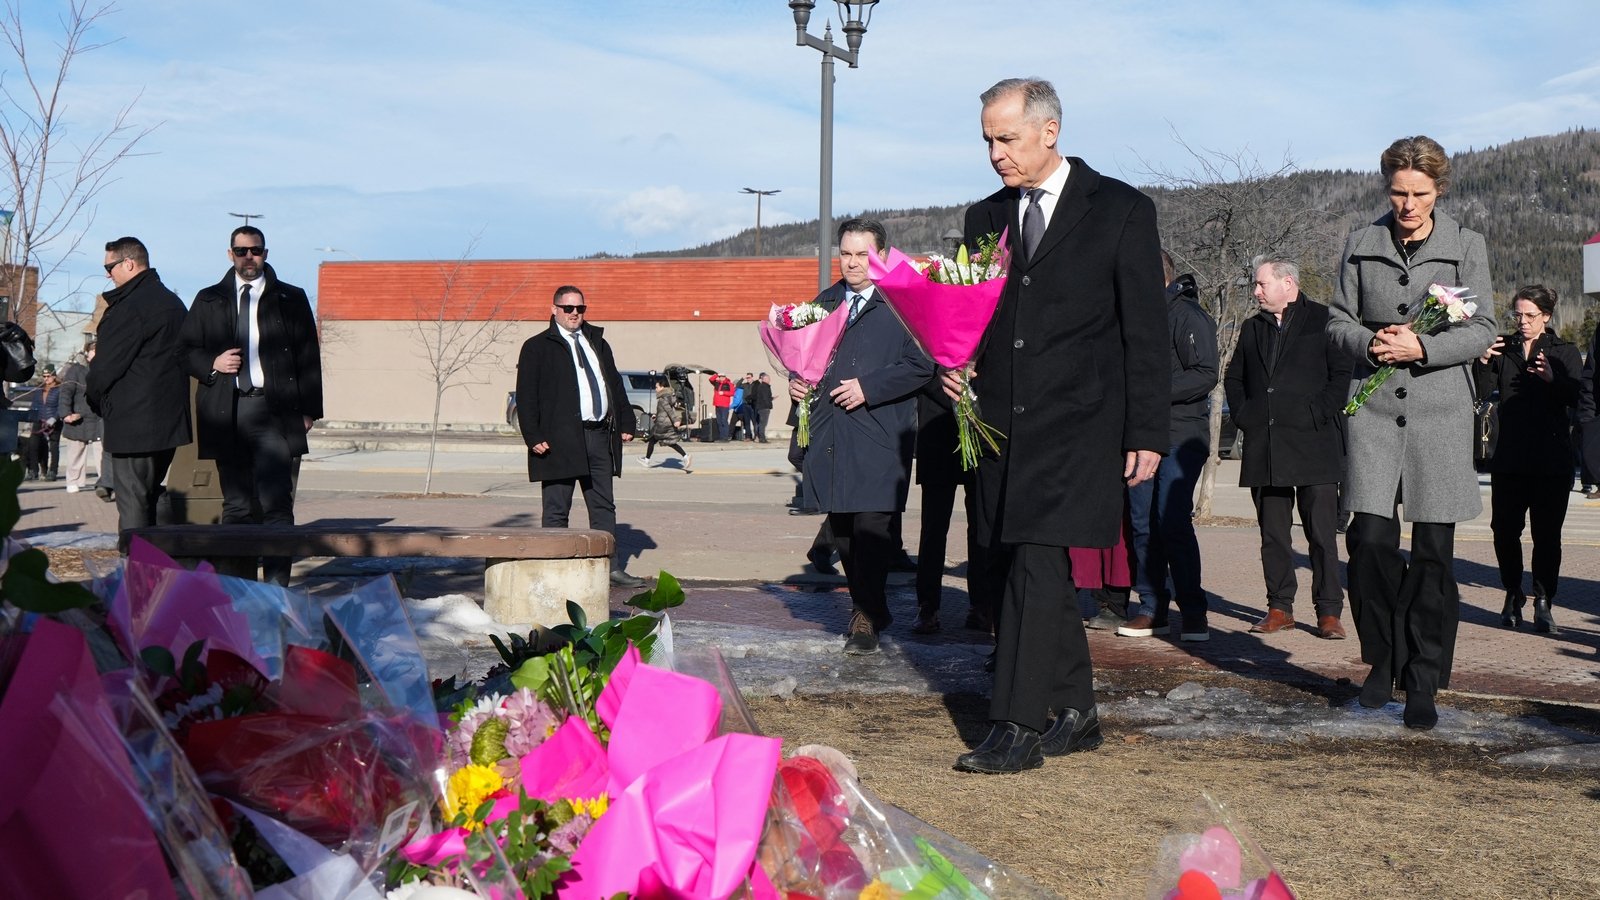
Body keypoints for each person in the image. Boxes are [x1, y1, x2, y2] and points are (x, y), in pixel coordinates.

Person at [948, 78, 1167, 774]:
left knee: (1037, 561)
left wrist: (1148, 430)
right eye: (986, 139)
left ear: (1049, 131)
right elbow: (972, 315)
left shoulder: (1123, 210)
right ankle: (1076, 711)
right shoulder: (983, 217)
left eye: (1005, 138)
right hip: (997, 426)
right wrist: (955, 362)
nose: (994, 154)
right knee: (1017, 560)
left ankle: (1014, 723)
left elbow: (1146, 331)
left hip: (1081, 425)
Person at [1326, 136, 1495, 731]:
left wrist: (1423, 345)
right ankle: (1381, 661)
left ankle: (1423, 677)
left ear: (1439, 191)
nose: (1407, 204)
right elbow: (1337, 320)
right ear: (1385, 187)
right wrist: (1367, 342)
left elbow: (1483, 329)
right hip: (1372, 414)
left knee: (1432, 556)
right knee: (1369, 543)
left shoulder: (1466, 246)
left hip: (1439, 417)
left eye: (1420, 194)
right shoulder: (1361, 243)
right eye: (1398, 192)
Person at [792, 217, 933, 655]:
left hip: (881, 434)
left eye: (862, 255)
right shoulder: (824, 302)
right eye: (846, 254)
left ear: (882, 256)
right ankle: (868, 606)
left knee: (873, 527)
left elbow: (922, 364)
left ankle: (866, 618)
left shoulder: (902, 304)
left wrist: (868, 388)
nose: (853, 263)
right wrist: (796, 385)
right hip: (831, 433)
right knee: (845, 528)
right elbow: (804, 359)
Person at [178, 226, 323, 585]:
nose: (248, 258)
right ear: (230, 254)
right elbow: (183, 351)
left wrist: (309, 411)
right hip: (227, 410)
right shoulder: (209, 299)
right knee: (237, 507)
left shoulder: (291, 298)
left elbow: (308, 355)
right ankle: (237, 590)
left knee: (277, 505)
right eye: (241, 251)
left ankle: (276, 592)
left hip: (274, 411)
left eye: (255, 251)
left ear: (266, 253)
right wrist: (212, 362)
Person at [1224, 256, 1351, 640]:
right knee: (1273, 534)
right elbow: (1234, 376)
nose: (1256, 291)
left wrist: (1318, 412)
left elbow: (1341, 375)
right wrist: (1246, 416)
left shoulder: (1326, 321)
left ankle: (1329, 612)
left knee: (1322, 534)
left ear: (1288, 283)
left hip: (1315, 443)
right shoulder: (1252, 326)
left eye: (1262, 284)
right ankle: (1280, 607)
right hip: (1267, 444)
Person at [1116, 252, 1218, 642]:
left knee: (1171, 521)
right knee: (1142, 524)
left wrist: (1148, 394)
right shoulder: (1138, 317)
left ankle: (1193, 610)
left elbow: (1206, 373)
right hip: (1140, 433)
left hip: (1180, 435)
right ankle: (1151, 607)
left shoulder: (1187, 315)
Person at [516, 285, 644, 588]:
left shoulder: (597, 342)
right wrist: (532, 435)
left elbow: (613, 384)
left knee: (603, 505)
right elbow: (526, 395)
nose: (575, 314)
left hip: (598, 436)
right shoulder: (537, 347)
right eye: (568, 308)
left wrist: (627, 421)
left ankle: (608, 567)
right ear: (554, 309)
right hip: (558, 441)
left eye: (580, 309)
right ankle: (553, 567)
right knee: (557, 507)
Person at [1473, 284, 1580, 633]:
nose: (1522, 321)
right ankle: (1512, 593)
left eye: (1530, 315)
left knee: (1547, 535)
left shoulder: (1564, 352)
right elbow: (1480, 390)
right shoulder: (1503, 347)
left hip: (1552, 459)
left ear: (1546, 317)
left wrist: (1553, 380)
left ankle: (1544, 599)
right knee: (1504, 531)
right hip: (1510, 456)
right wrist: (1484, 361)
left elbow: (1578, 398)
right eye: (1517, 314)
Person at [87, 236, 193, 547]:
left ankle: (138, 576)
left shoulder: (130, 307)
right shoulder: (173, 303)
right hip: (168, 422)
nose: (108, 274)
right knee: (153, 492)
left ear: (129, 264)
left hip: (135, 422)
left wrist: (96, 401)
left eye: (110, 267)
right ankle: (168, 564)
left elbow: (105, 369)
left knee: (133, 499)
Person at [57, 350, 105, 494]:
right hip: (78, 418)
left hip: (99, 418)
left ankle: (105, 483)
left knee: (103, 454)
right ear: (86, 354)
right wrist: (66, 414)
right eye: (93, 351)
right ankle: (73, 481)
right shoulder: (76, 370)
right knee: (75, 452)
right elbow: (66, 392)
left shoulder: (105, 367)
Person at [639, 375, 693, 472]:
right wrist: (656, 415)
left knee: (652, 439)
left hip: (663, 424)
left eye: (657, 387)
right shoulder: (669, 396)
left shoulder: (663, 398)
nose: (656, 389)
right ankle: (685, 456)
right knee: (670, 442)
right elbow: (665, 410)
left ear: (662, 387)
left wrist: (675, 420)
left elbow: (669, 411)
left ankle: (646, 460)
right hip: (665, 422)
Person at [23, 365, 62, 481]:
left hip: (53, 421)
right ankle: (33, 471)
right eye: (44, 376)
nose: (46, 378)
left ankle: (52, 471)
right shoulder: (39, 389)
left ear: (54, 376)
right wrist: (30, 418)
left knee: (54, 446)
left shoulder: (60, 389)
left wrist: (55, 418)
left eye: (48, 376)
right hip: (39, 420)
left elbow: (62, 406)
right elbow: (34, 405)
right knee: (33, 445)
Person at [749, 372, 774, 443]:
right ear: (764, 379)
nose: (770, 380)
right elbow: (765, 398)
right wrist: (769, 405)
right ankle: (762, 438)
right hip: (764, 408)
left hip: (760, 407)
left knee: (760, 423)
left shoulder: (761, 386)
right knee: (763, 424)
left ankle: (759, 437)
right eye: (768, 378)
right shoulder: (764, 386)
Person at [709, 372, 734, 441]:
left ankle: (725, 437)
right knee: (719, 421)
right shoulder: (717, 383)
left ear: (725, 377)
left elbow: (732, 393)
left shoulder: (729, 384)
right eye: (720, 376)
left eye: (723, 376)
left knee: (724, 421)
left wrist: (724, 393)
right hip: (717, 404)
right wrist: (716, 374)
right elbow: (711, 379)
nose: (721, 378)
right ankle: (721, 437)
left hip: (724, 405)